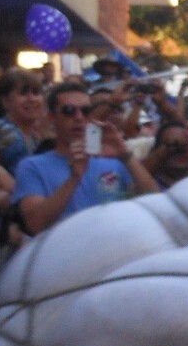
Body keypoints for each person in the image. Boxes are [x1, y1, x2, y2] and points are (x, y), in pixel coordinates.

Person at [12, 79, 157, 236]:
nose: (79, 117)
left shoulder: (114, 160)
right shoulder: (32, 166)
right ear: (52, 118)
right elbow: (35, 224)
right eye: (69, 111)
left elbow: (156, 203)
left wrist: (126, 156)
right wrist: (74, 178)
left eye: (86, 111)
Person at [0, 70, 49, 173]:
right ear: (5, 101)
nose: (32, 99)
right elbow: (25, 180)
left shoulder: (31, 134)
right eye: (23, 93)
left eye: (36, 93)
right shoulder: (7, 133)